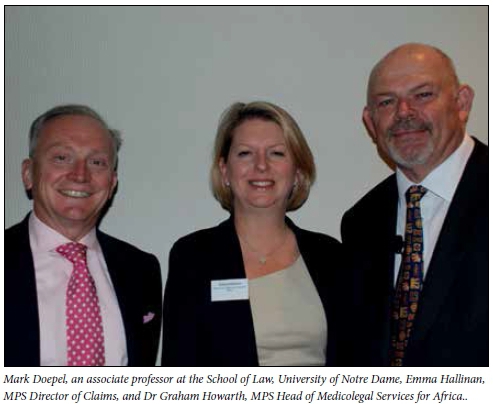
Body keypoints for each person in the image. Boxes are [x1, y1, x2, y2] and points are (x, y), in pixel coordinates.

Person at [162, 101, 342, 366]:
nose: (261, 166)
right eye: (245, 153)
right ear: (225, 170)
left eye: (276, 153)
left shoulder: (331, 256)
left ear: (297, 172)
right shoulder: (193, 256)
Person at [341, 43, 488, 366]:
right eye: (386, 102)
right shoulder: (361, 222)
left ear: (462, 103)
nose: (404, 112)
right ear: (370, 122)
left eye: (423, 95)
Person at [5, 104, 162, 366]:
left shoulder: (141, 270)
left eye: (97, 162)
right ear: (28, 173)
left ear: (112, 183)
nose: (80, 175)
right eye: (61, 158)